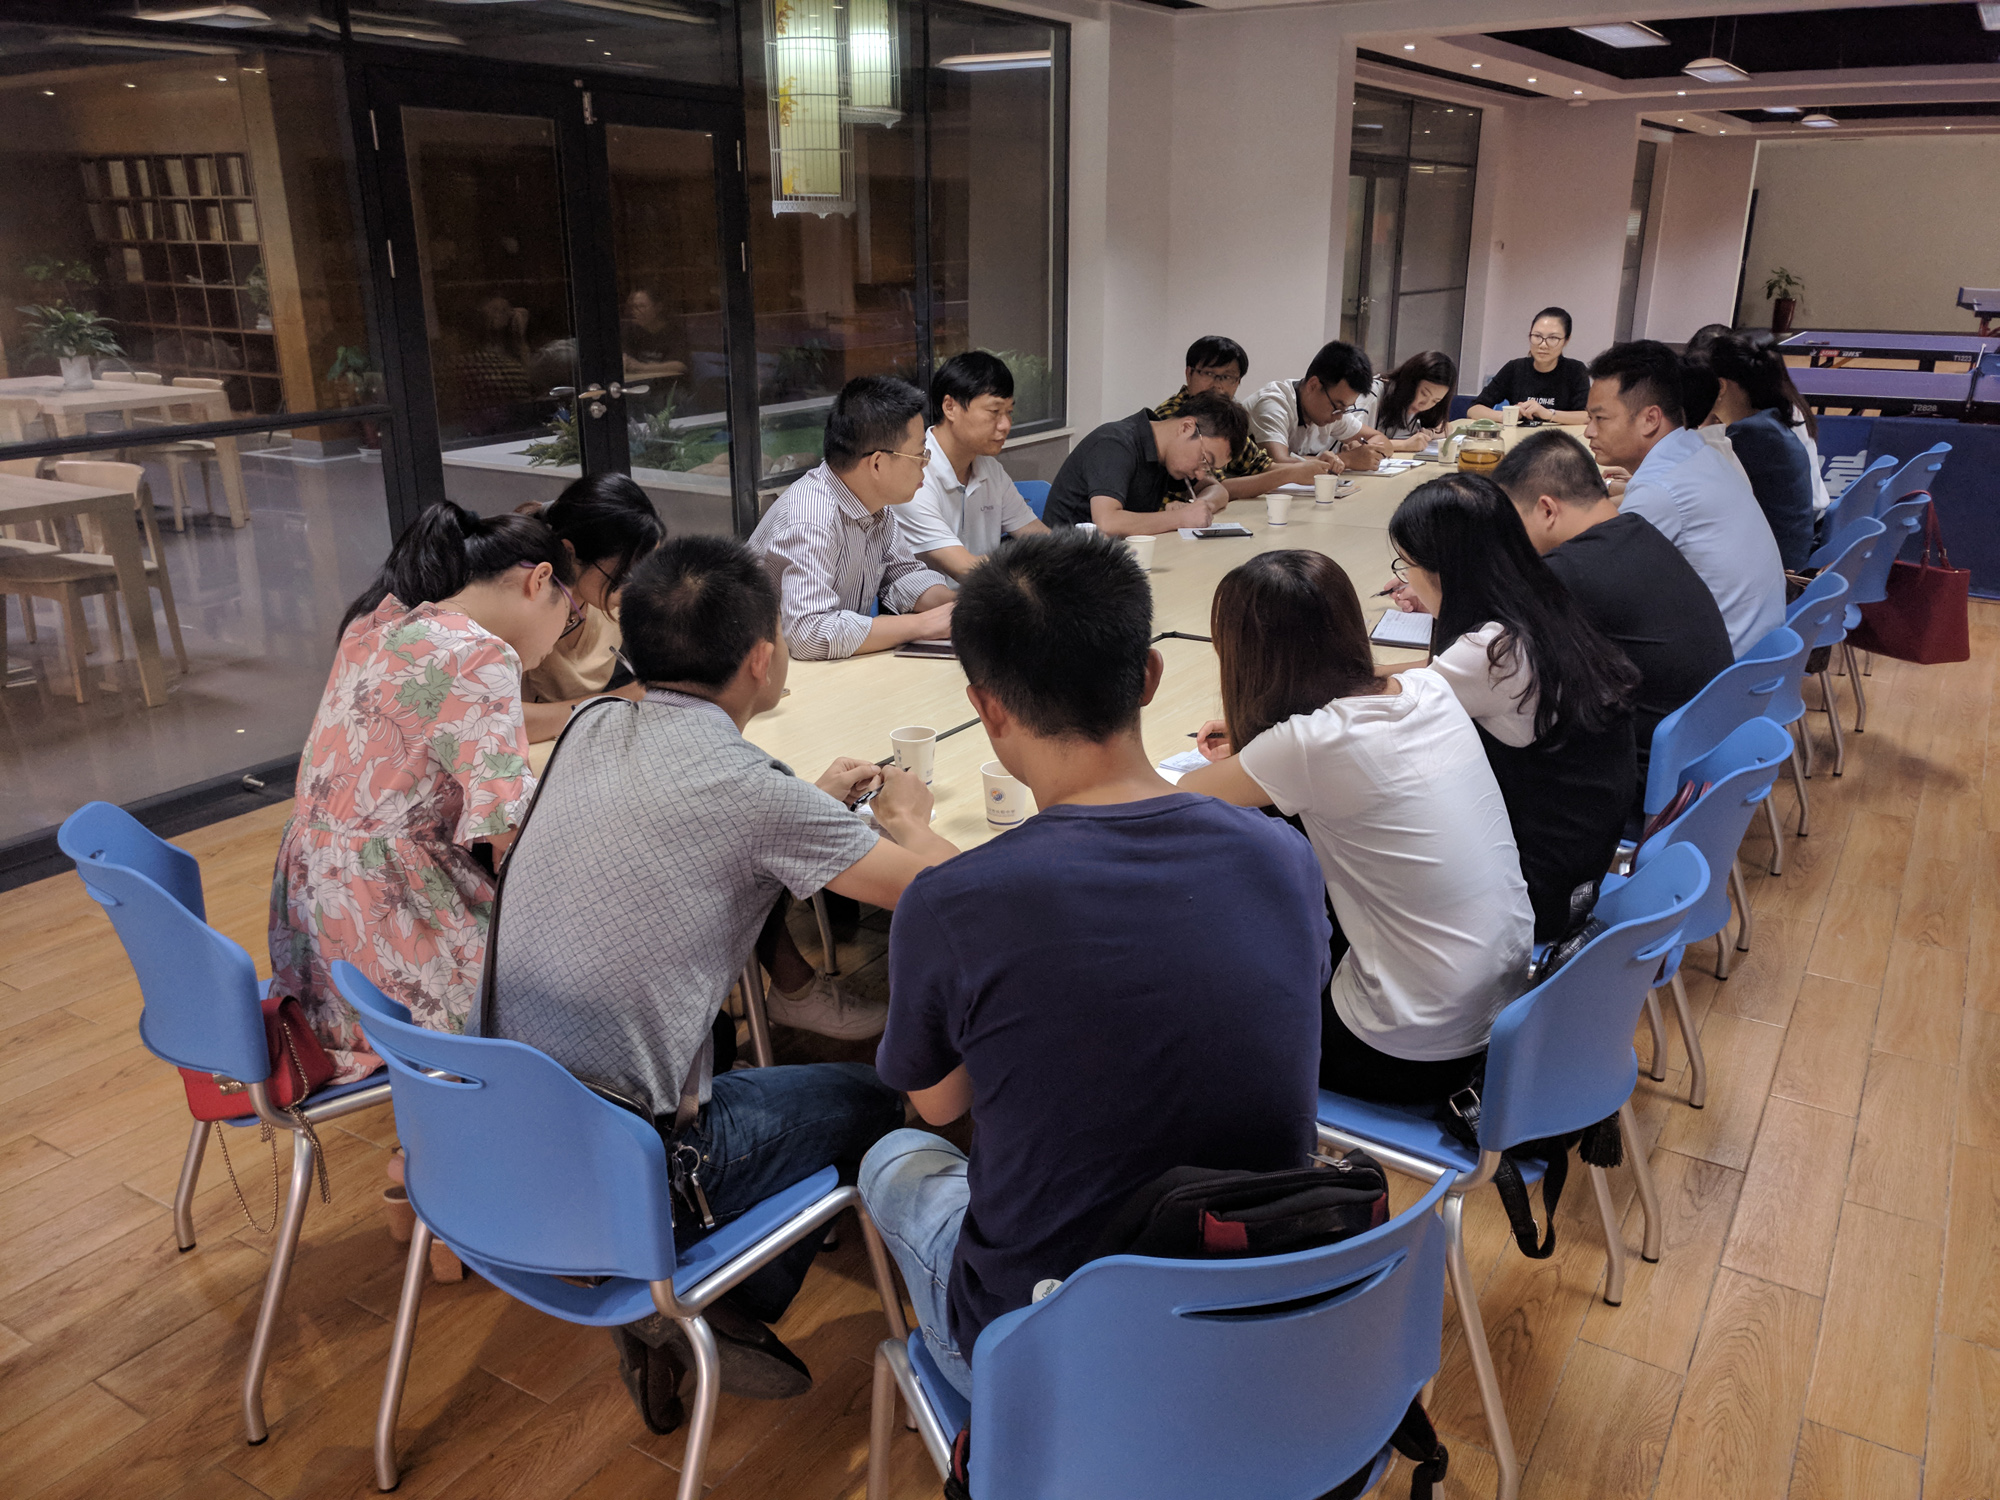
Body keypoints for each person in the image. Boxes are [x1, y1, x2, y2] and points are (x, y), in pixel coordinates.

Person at [479, 534, 959, 1432]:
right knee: (878, 1102)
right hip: (630, 1162)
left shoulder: (590, 725)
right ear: (762, 659)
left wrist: (803, 803)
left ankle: (693, 1294)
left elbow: (712, 825)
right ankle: (708, 1304)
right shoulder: (749, 792)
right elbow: (938, 891)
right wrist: (909, 817)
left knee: (738, 1054)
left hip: (502, 1131)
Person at [858, 531, 1328, 1397]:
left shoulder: (951, 902)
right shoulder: (1283, 855)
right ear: (1149, 677)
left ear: (986, 708)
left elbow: (942, 1104)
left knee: (894, 1159)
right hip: (1266, 1316)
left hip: (1058, 1365)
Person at [1176, 551, 1531, 1105]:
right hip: (1510, 1008)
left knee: (1204, 992)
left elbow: (1180, 797)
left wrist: (1252, 750)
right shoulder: (1429, 690)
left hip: (1406, 1049)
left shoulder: (1307, 745)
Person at [271, 502, 579, 1081]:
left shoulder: (377, 626)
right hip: (396, 912)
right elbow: (508, 832)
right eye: (571, 613)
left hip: (315, 920)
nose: (563, 637)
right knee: (579, 974)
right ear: (540, 581)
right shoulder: (482, 654)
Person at [1387, 474, 1639, 942]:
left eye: (1407, 566)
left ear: (1444, 571)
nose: (1407, 581)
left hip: (1535, 893)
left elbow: (1380, 719)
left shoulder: (1490, 653)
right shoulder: (1538, 601)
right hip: (1582, 855)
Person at [1494, 430, 1733, 804]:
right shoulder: (1640, 531)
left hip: (1644, 783)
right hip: (1701, 762)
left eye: (1512, 523)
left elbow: (1485, 658)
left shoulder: (1569, 570)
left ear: (1547, 510)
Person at [1584, 340, 1787, 656]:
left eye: (1600, 419)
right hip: (1760, 653)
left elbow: (1595, 584)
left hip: (1722, 667)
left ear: (1650, 419)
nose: (1589, 432)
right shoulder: (1699, 452)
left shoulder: (1660, 490)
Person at [747, 375, 957, 660]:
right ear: (878, 463)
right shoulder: (812, 517)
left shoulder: (876, 506)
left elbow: (904, 576)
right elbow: (808, 633)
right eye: (920, 454)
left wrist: (962, 608)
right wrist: (920, 625)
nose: (925, 464)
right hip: (767, 669)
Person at [517, 474, 665, 742]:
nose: (633, 590)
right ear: (569, 552)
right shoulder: (523, 604)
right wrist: (619, 699)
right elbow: (502, 720)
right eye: (622, 576)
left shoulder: (604, 597)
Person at [894, 351, 1049, 580]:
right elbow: (965, 569)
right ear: (950, 407)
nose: (1006, 425)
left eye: (1009, 412)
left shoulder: (990, 469)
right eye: (994, 412)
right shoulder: (913, 474)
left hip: (987, 592)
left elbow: (1041, 539)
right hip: (937, 600)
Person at [1687, 335, 1818, 569]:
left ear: (1720, 387)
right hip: (1784, 558)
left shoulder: (1751, 434)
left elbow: (1687, 493)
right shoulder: (1768, 423)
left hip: (1776, 571)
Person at [1151, 335, 1338, 498]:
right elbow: (1208, 488)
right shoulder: (1172, 418)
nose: (1217, 385)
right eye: (1209, 373)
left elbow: (1260, 464)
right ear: (1189, 374)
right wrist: (1290, 474)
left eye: (1227, 377)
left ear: (1238, 382)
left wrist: (1311, 465)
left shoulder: (1225, 418)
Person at [1040, 390, 1245, 534]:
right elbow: (1107, 523)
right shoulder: (1114, 444)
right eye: (1204, 460)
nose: (1200, 473)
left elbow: (1218, 490)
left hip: (1114, 559)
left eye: (1208, 468)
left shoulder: (1167, 455)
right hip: (1066, 563)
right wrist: (1181, 518)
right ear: (1186, 427)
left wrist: (1201, 506)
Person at [1245, 339, 1386, 473]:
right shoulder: (1273, 404)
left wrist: (1365, 451)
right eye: (1337, 407)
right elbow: (1276, 464)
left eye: (1345, 410)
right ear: (1313, 385)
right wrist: (1346, 459)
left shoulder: (1329, 409)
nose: (1338, 417)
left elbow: (1381, 439)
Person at [1467, 307, 1590, 424]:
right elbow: (1474, 409)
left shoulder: (1575, 370)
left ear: (1566, 340)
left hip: (1560, 437)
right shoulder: (1514, 368)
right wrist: (1507, 415)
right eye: (1537, 336)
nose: (1543, 345)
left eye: (1553, 338)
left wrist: (1548, 414)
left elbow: (1587, 417)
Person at [1365, 350, 1458, 449]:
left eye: (1435, 401)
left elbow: (1447, 428)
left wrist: (1427, 433)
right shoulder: (1371, 392)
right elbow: (1355, 444)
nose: (1425, 405)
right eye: (1424, 394)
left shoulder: (1414, 409)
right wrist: (1403, 445)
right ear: (1410, 382)